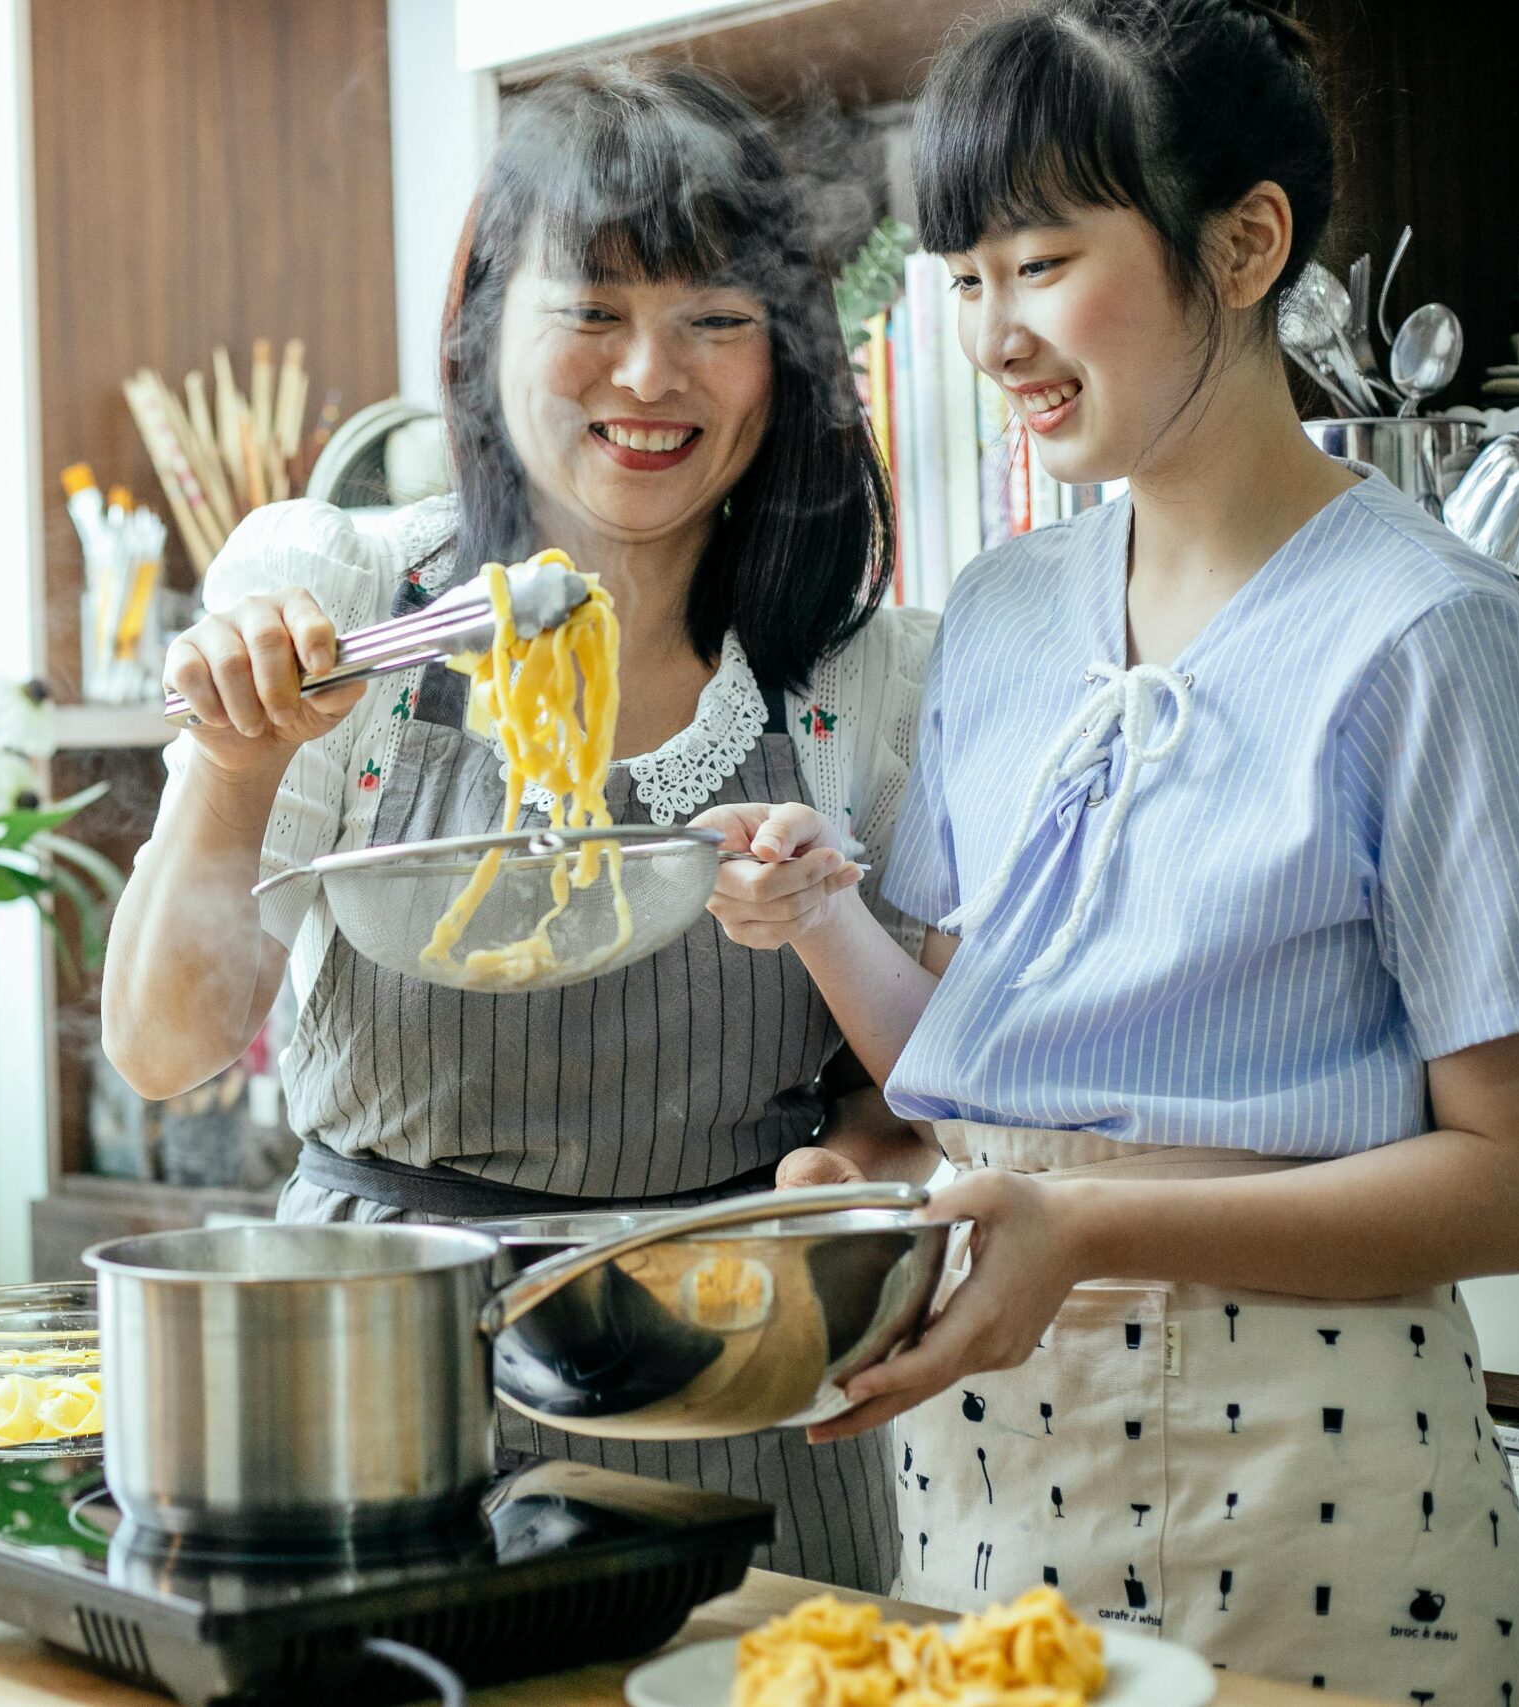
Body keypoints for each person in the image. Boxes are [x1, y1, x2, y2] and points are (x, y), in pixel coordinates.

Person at [699, 0, 1519, 1692]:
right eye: (963, 278)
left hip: (1315, 1477)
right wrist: (836, 967)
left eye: (1038, 261)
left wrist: (1091, 1228)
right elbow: (976, 1059)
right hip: (987, 1465)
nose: (990, 331)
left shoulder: (1428, 630)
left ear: (1244, 244)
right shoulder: (1010, 612)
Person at [102, 62, 929, 1590]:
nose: (650, 376)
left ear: (791, 357)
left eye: (717, 320)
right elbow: (164, 1048)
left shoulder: (865, 678)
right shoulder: (340, 598)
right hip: (370, 1373)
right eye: (595, 311)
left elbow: (930, 1080)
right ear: (484, 337)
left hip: (731, 1383)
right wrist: (225, 766)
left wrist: (856, 1166)